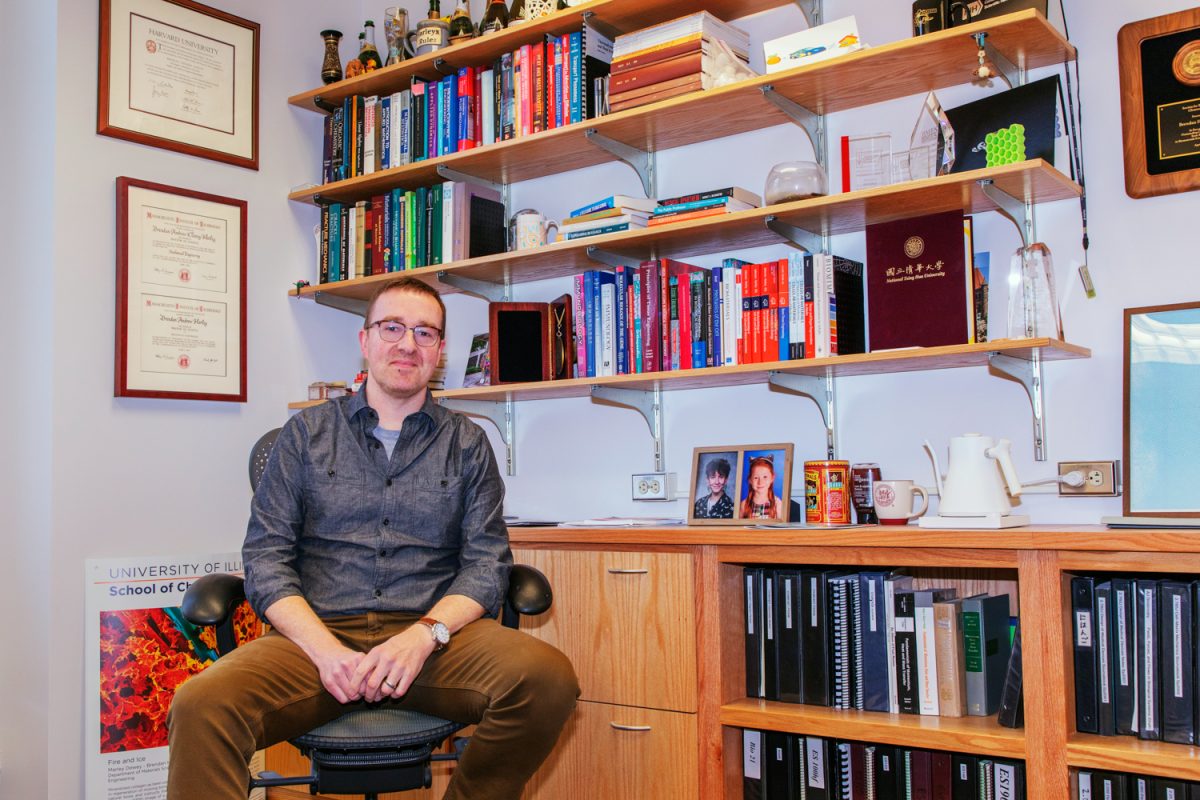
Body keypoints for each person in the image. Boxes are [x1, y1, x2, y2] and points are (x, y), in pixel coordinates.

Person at [166, 277, 579, 800]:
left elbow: (486, 565)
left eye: (425, 333)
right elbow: (266, 558)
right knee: (201, 703)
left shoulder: (468, 442)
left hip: (432, 645)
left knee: (547, 679)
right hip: (315, 641)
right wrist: (323, 651)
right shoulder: (305, 435)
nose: (408, 343)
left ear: (440, 352)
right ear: (365, 341)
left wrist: (422, 636)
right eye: (392, 327)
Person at [740, 455, 784, 519]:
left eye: (765, 477)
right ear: (750, 480)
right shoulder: (744, 505)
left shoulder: (777, 504)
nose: (760, 482)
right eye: (756, 478)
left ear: (772, 478)